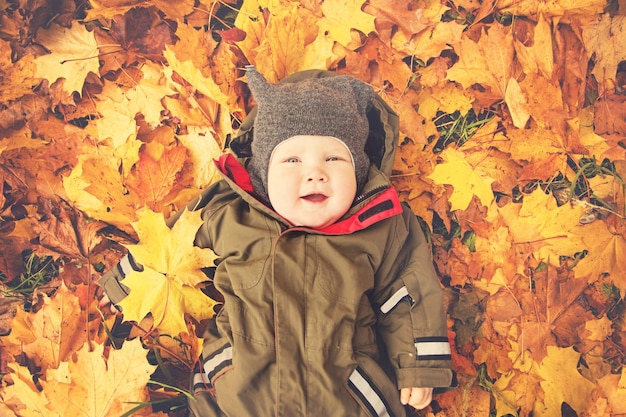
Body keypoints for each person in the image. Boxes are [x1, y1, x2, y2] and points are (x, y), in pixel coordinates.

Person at [98, 66, 455, 417]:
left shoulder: (382, 227)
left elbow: (408, 295)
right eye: (292, 160)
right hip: (236, 387)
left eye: (334, 158)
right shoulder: (230, 215)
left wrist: (418, 364)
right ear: (263, 174)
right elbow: (172, 246)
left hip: (348, 393)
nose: (314, 172)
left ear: (360, 172)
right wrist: (128, 285)